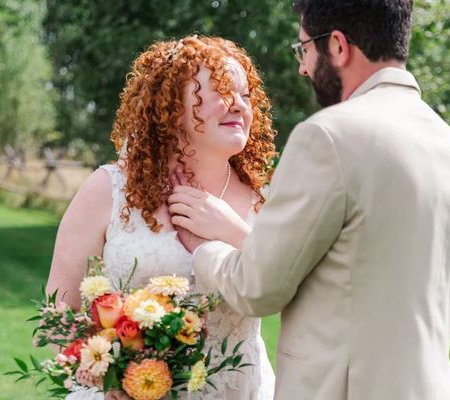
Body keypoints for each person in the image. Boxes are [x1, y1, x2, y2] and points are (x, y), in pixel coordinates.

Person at [167, 1, 450, 399]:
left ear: (337, 46)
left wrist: (204, 248)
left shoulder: (327, 137)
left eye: (303, 49)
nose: (303, 68)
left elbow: (256, 288)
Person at [46, 35, 277, 400]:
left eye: (246, 95)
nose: (239, 105)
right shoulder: (109, 189)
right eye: (221, 91)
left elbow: (294, 288)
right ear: (171, 107)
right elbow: (59, 312)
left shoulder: (268, 199)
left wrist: (233, 231)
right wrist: (105, 376)